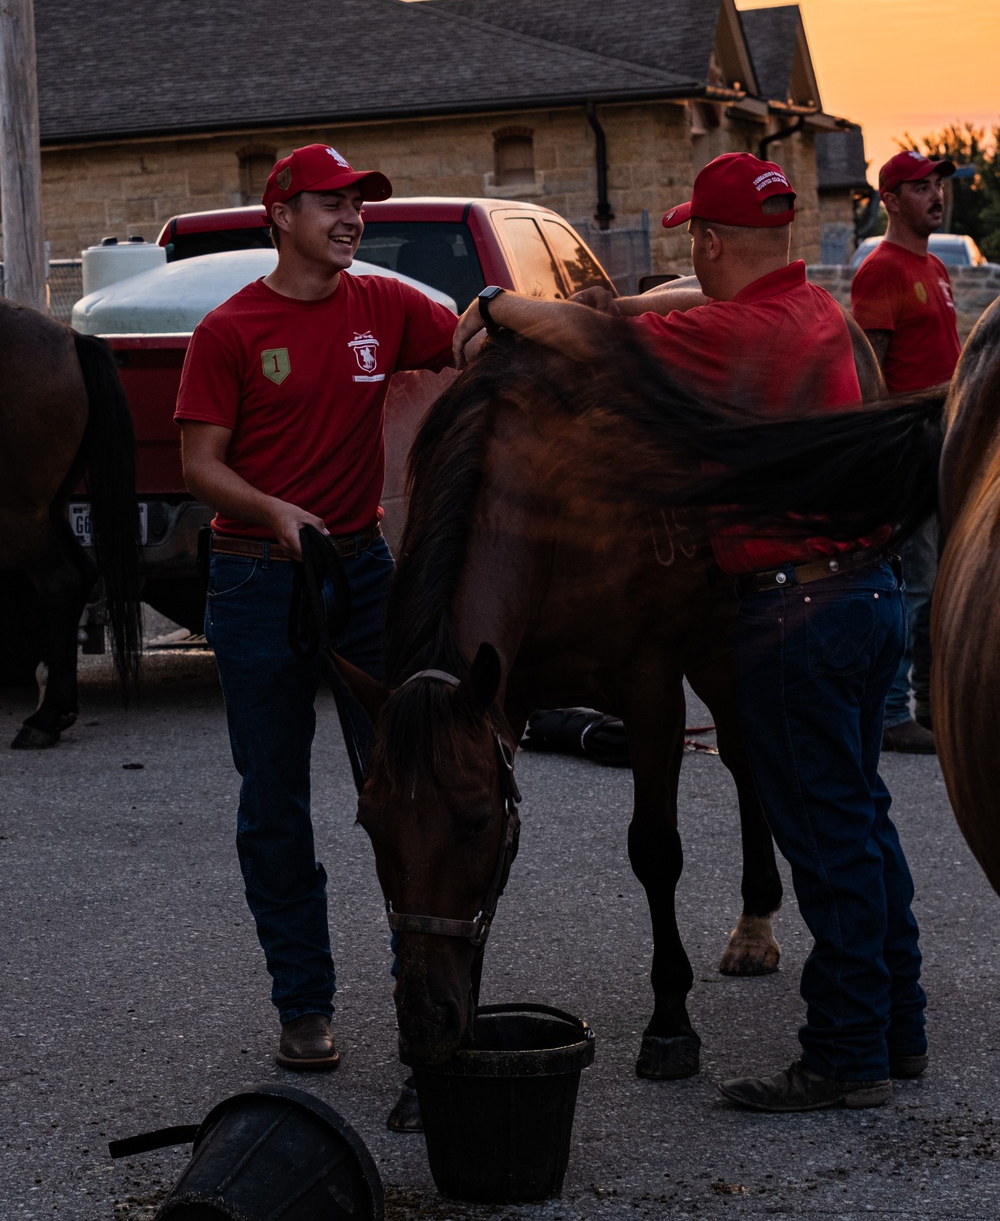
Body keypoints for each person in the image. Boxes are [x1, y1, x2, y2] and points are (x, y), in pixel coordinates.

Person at [454, 152, 926, 1113]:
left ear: (711, 241)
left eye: (694, 245)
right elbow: (666, 308)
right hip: (869, 596)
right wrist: (633, 307)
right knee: (867, 823)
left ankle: (846, 1055)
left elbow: (584, 339)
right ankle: (898, 1027)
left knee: (829, 843)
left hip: (796, 613)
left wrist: (499, 307)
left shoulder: (724, 335)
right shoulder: (812, 313)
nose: (692, 264)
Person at [175, 143, 455, 1072]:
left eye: (358, 205)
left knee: (403, 785)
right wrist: (275, 511)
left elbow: (465, 337)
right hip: (257, 579)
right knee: (276, 804)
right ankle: (304, 1005)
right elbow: (200, 465)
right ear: (282, 216)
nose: (352, 219)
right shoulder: (230, 330)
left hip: (362, 571)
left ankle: (418, 994)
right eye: (332, 204)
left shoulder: (384, 303)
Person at [852, 149, 960, 755]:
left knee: (940, 582)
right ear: (890, 201)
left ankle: (931, 705)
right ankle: (894, 713)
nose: (935, 195)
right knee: (912, 584)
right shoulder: (883, 269)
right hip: (909, 446)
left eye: (937, 185)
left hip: (945, 439)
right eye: (920, 188)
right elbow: (871, 373)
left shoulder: (935, 269)